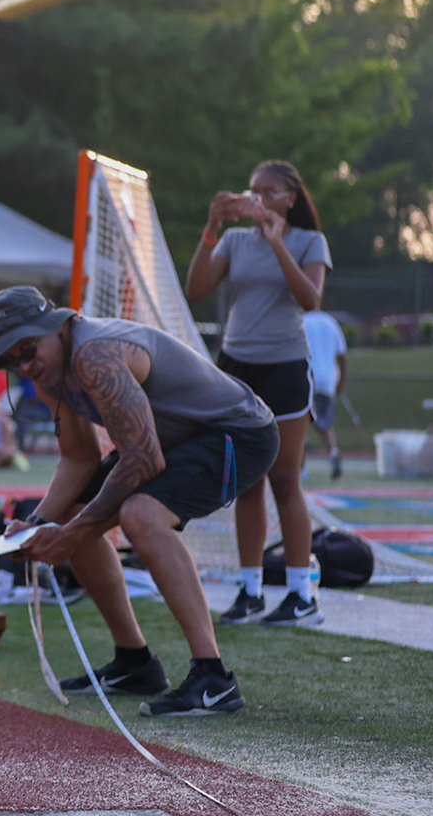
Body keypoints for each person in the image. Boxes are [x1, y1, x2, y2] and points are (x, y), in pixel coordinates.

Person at [0, 285, 278, 717]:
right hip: (174, 440)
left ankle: (214, 680)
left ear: (57, 326)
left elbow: (144, 459)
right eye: (12, 360)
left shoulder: (94, 356)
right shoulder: (49, 373)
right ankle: (134, 662)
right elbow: (78, 458)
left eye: (28, 349)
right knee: (67, 514)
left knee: (141, 515)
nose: (25, 366)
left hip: (239, 433)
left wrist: (70, 535)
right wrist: (41, 522)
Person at [185, 159, 332, 627]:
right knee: (244, 481)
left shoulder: (310, 241)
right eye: (253, 192)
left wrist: (275, 241)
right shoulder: (233, 241)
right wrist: (211, 226)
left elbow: (310, 299)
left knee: (285, 480)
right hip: (236, 367)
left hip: (285, 367)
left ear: (291, 197)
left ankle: (300, 596)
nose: (259, 200)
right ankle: (249, 592)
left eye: (269, 192)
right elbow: (197, 289)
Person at [301, 308, 347, 480]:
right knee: (325, 423)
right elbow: (342, 356)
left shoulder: (301, 321)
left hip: (306, 377)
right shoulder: (330, 322)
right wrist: (341, 382)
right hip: (327, 380)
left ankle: (301, 466)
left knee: (301, 424)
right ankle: (333, 452)